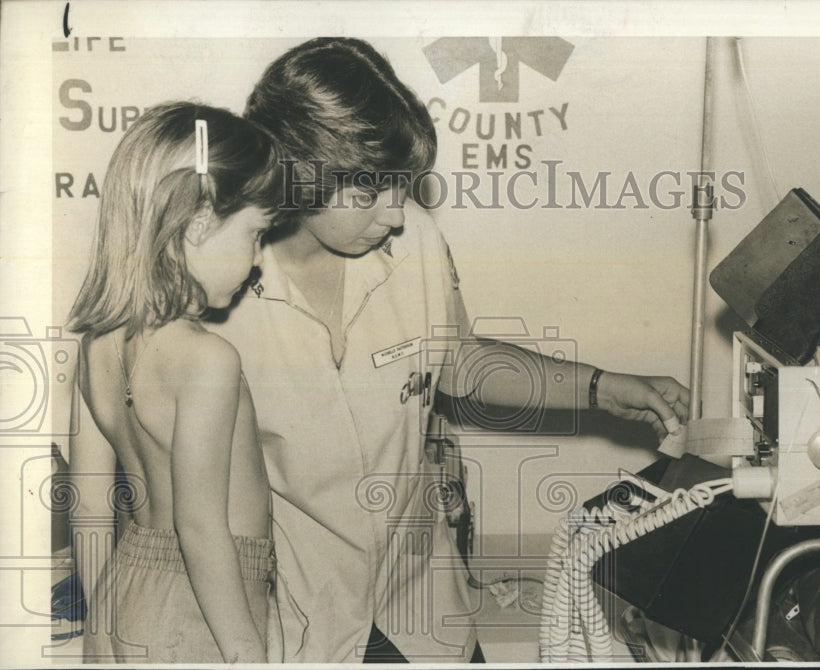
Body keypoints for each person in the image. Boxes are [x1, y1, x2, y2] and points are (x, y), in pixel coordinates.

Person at [207, 37, 690, 663]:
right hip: (295, 616)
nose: (397, 214)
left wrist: (602, 387)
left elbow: (459, 362)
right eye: (372, 190)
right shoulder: (220, 287)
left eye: (402, 187)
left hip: (422, 601)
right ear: (302, 172)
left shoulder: (414, 244)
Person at [67, 102, 283, 663]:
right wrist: (246, 653)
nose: (259, 259)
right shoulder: (208, 358)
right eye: (256, 234)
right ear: (199, 225)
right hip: (206, 609)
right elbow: (201, 529)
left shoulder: (97, 346)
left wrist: (104, 619)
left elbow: (89, 506)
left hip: (121, 593)